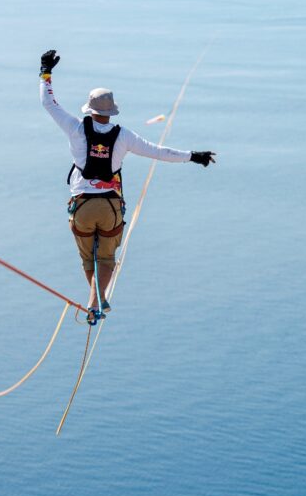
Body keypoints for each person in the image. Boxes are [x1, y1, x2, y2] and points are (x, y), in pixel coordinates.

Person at [39, 50, 215, 325]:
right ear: (111, 112)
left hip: (82, 205)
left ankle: (95, 300)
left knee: (89, 259)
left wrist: (45, 73)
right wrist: (194, 156)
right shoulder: (124, 137)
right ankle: (96, 302)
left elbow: (49, 104)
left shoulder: (75, 128)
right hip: (110, 206)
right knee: (107, 258)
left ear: (89, 109)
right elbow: (159, 152)